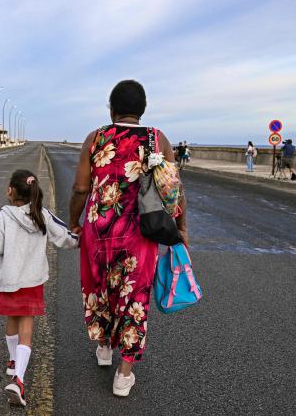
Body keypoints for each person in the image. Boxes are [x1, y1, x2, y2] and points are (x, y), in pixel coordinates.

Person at [68, 80, 188, 397]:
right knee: (133, 297)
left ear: (112, 109)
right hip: (140, 235)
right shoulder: (156, 138)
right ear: (142, 110)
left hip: (99, 231)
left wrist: (74, 221)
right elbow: (172, 189)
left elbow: (81, 188)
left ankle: (105, 347)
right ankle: (124, 375)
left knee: (101, 288)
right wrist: (182, 228)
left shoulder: (95, 137)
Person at [0, 170, 79, 407]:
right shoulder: (41, 213)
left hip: (9, 279)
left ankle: (13, 361)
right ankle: (19, 379)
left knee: (12, 320)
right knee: (27, 326)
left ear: (10, 191)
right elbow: (63, 235)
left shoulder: (4, 214)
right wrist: (79, 239)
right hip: (32, 280)